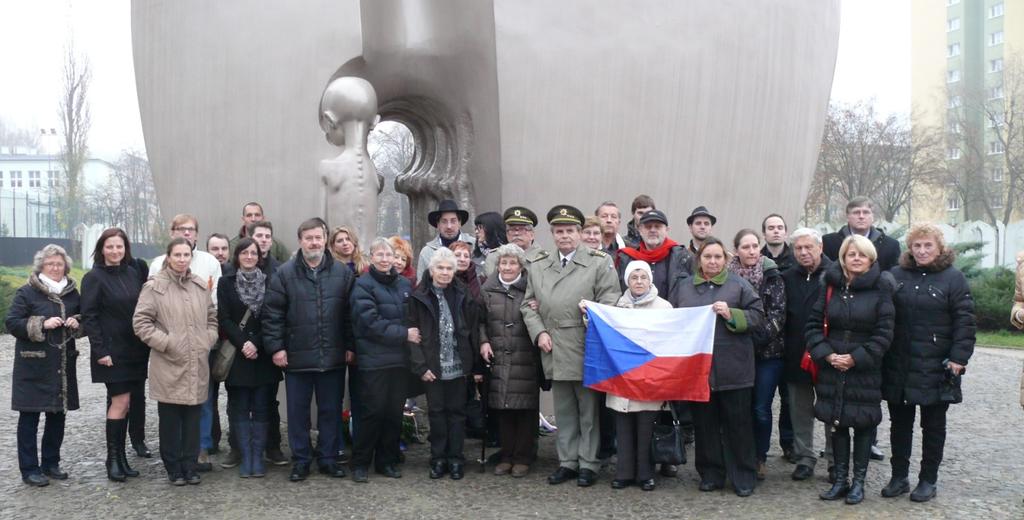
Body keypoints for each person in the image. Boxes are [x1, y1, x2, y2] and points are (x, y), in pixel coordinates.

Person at [521, 205, 619, 487]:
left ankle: (588, 463)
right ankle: (567, 462)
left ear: (579, 233)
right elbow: (528, 304)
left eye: (570, 230)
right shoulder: (539, 264)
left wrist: (593, 315)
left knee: (588, 411)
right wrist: (539, 332)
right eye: (559, 231)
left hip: (585, 344)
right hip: (552, 344)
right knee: (563, 410)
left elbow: (610, 300)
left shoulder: (599, 262)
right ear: (552, 234)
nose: (565, 236)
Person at [881, 223, 975, 502]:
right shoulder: (896, 275)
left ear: (939, 247)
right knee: (899, 425)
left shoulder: (953, 278)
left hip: (937, 365)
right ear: (910, 248)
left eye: (927, 245)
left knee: (933, 426)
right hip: (899, 362)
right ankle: (899, 477)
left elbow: (965, 321)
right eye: (917, 246)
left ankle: (928, 479)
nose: (922, 251)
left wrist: (959, 357)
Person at [669, 237, 763, 497]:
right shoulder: (684, 288)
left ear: (726, 259)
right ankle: (711, 473)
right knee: (705, 424)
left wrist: (733, 315)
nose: (712, 261)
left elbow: (758, 316)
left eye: (717, 257)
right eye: (707, 257)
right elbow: (671, 319)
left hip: (735, 369)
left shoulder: (739, 286)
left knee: (739, 425)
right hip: (699, 370)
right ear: (699, 260)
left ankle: (743, 475)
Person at [805, 235, 895, 505]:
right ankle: (840, 480)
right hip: (832, 365)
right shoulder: (830, 286)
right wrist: (828, 355)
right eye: (851, 254)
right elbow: (812, 325)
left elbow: (884, 333)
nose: (856, 258)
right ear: (843, 257)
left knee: (864, 423)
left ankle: (859, 482)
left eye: (862, 254)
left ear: (871, 259)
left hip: (864, 367)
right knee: (837, 422)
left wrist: (855, 358)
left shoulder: (881, 289)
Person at [263, 218, 355, 482]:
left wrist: (350, 346)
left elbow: (350, 315)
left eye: (318, 237)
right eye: (309, 238)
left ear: (325, 239)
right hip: (297, 357)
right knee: (298, 413)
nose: (314, 242)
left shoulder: (342, 273)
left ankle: (327, 458)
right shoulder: (284, 274)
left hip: (333, 356)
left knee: (330, 410)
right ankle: (301, 460)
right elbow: (272, 315)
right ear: (300, 241)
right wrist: (277, 348)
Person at [613, 208, 695, 476]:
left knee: (666, 403)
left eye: (658, 226)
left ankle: (666, 456)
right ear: (640, 229)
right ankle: (637, 463)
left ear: (666, 230)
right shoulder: (628, 258)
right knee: (642, 404)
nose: (653, 230)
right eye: (648, 226)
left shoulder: (681, 255)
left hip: (669, 336)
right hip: (635, 341)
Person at [133, 238, 219, 486]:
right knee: (170, 420)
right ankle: (173, 467)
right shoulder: (154, 287)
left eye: (186, 255)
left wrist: (207, 339)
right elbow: (141, 323)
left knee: (193, 419)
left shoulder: (200, 286)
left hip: (197, 362)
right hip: (169, 364)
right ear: (168, 257)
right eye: (177, 255)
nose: (182, 259)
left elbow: (212, 319)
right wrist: (167, 342)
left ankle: (190, 465)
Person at [6, 244, 81, 487]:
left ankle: (51, 463)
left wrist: (76, 321)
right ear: (42, 267)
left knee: (57, 415)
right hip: (33, 366)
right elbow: (12, 323)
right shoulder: (27, 292)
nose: (56, 268)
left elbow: (86, 319)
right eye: (51, 264)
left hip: (61, 364)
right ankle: (29, 469)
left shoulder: (72, 294)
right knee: (29, 418)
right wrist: (42, 323)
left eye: (59, 264)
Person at [81, 228, 150, 482]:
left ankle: (122, 459)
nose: (115, 251)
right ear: (102, 249)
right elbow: (89, 316)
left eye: (119, 247)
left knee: (128, 402)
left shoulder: (133, 273)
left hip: (135, 349)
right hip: (111, 352)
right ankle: (112, 460)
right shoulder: (93, 278)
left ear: (125, 248)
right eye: (110, 247)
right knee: (119, 402)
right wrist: (100, 350)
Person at [220, 220, 288, 470]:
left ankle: (266, 450)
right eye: (245, 252)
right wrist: (243, 343)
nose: (249, 256)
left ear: (259, 257)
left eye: (253, 253)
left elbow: (273, 315)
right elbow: (224, 318)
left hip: (263, 351)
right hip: (238, 354)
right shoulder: (225, 282)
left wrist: (256, 342)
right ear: (237, 256)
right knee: (237, 405)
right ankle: (239, 450)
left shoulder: (272, 280)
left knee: (266, 404)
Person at [408, 247, 479, 480]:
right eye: (441, 268)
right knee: (437, 413)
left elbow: (473, 330)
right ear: (431, 269)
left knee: (457, 413)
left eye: (450, 268)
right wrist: (421, 367)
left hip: (458, 364)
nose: (445, 272)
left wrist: (475, 365)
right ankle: (438, 458)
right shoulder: (419, 296)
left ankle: (456, 458)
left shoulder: (462, 293)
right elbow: (413, 335)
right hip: (432, 366)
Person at [349, 238, 416, 483]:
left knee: (393, 413)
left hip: (399, 361)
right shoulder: (362, 285)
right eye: (380, 254)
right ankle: (360, 463)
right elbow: (369, 323)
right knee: (371, 413)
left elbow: (412, 317)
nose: (385, 259)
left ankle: (386, 461)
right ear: (372, 257)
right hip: (374, 360)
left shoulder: (404, 284)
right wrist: (403, 334)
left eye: (389, 255)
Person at [606, 261, 671, 491]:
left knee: (645, 429)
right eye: (634, 277)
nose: (639, 282)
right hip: (622, 378)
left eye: (643, 277)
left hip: (649, 380)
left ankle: (645, 474)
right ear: (627, 281)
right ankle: (624, 472)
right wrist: (588, 315)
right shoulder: (616, 306)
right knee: (623, 429)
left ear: (650, 280)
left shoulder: (664, 307)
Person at [728, 229, 785, 481]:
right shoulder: (727, 276)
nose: (751, 251)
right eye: (745, 247)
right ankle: (738, 454)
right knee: (738, 408)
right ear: (736, 250)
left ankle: (759, 456)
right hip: (735, 353)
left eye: (755, 246)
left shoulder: (772, 276)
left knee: (761, 408)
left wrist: (753, 341)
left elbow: (778, 315)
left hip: (767, 353)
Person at [479, 243, 537, 478]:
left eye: (512, 263)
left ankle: (523, 457)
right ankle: (506, 455)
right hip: (498, 354)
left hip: (525, 354)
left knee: (524, 409)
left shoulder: (530, 289)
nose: (508, 267)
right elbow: (480, 320)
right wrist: (483, 341)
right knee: (502, 408)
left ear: (521, 266)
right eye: (504, 262)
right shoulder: (488, 289)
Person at [780, 228, 832, 481]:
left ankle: (835, 459)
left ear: (820, 247)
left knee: (831, 409)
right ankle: (804, 457)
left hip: (828, 354)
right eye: (798, 248)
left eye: (808, 247)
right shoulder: (787, 277)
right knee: (799, 410)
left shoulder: (836, 274)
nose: (803, 252)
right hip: (795, 352)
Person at [149, 214, 222, 304]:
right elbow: (151, 300)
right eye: (181, 229)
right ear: (171, 234)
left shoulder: (211, 262)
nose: (187, 233)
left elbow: (214, 301)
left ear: (196, 235)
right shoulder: (157, 264)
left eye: (191, 229)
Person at [822, 197, 900, 272]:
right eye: (856, 212)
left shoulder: (891, 246)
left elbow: (894, 277)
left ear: (872, 216)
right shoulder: (829, 242)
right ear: (847, 216)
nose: (861, 216)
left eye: (866, 212)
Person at [416, 199, 475, 282]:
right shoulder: (427, 252)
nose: (449, 226)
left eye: (453, 221)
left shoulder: (474, 245)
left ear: (460, 223)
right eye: (444, 221)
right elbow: (420, 286)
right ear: (438, 224)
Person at [483, 206, 546, 277]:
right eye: (512, 229)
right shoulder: (494, 257)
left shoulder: (544, 259)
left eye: (522, 229)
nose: (516, 233)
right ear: (506, 234)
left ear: (532, 234)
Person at [472, 211, 506, 277]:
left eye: (480, 228)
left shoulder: (509, 252)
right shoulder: (475, 256)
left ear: (491, 228)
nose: (476, 232)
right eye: (476, 228)